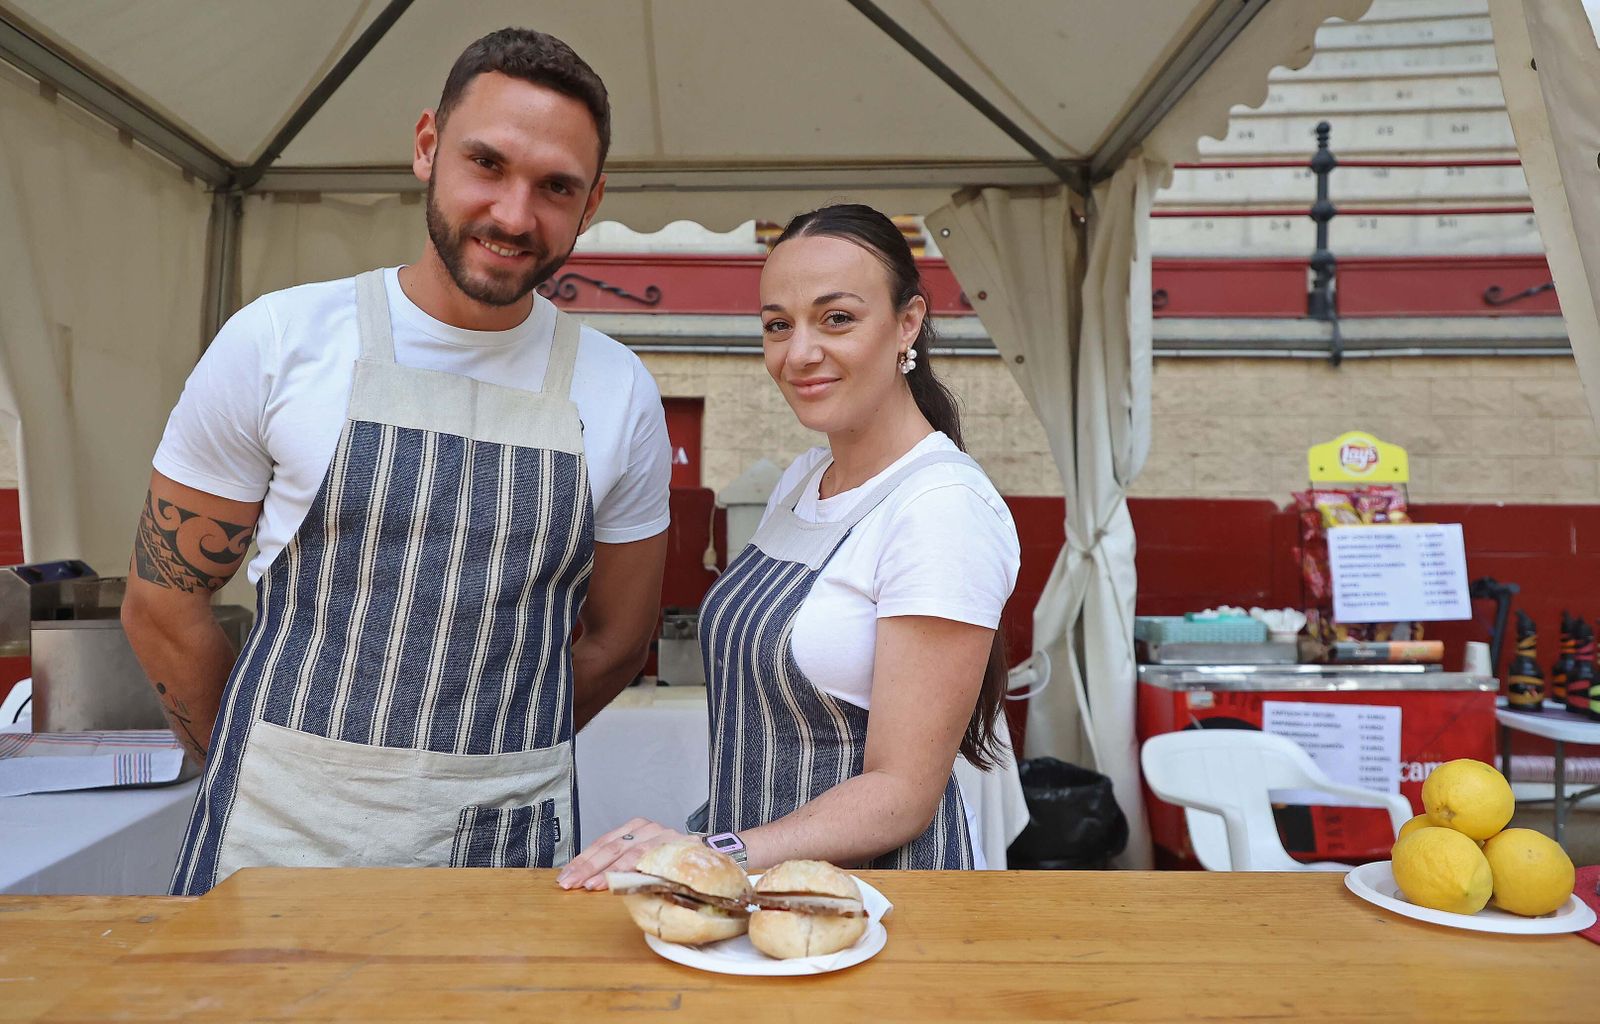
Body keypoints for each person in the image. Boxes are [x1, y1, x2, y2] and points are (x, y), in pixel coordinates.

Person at [122, 28, 671, 895]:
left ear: (592, 200)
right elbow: (162, 604)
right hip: (274, 843)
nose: (515, 214)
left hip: (503, 849)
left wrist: (499, 753)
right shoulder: (280, 340)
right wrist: (258, 757)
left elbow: (616, 641)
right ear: (427, 147)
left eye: (555, 186)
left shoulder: (619, 391)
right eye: (486, 164)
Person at [559, 203, 1019, 886]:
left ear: (908, 323)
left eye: (837, 319)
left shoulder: (941, 508)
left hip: (878, 903)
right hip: (762, 887)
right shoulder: (805, 478)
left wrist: (716, 853)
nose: (798, 353)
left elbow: (901, 795)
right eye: (778, 325)